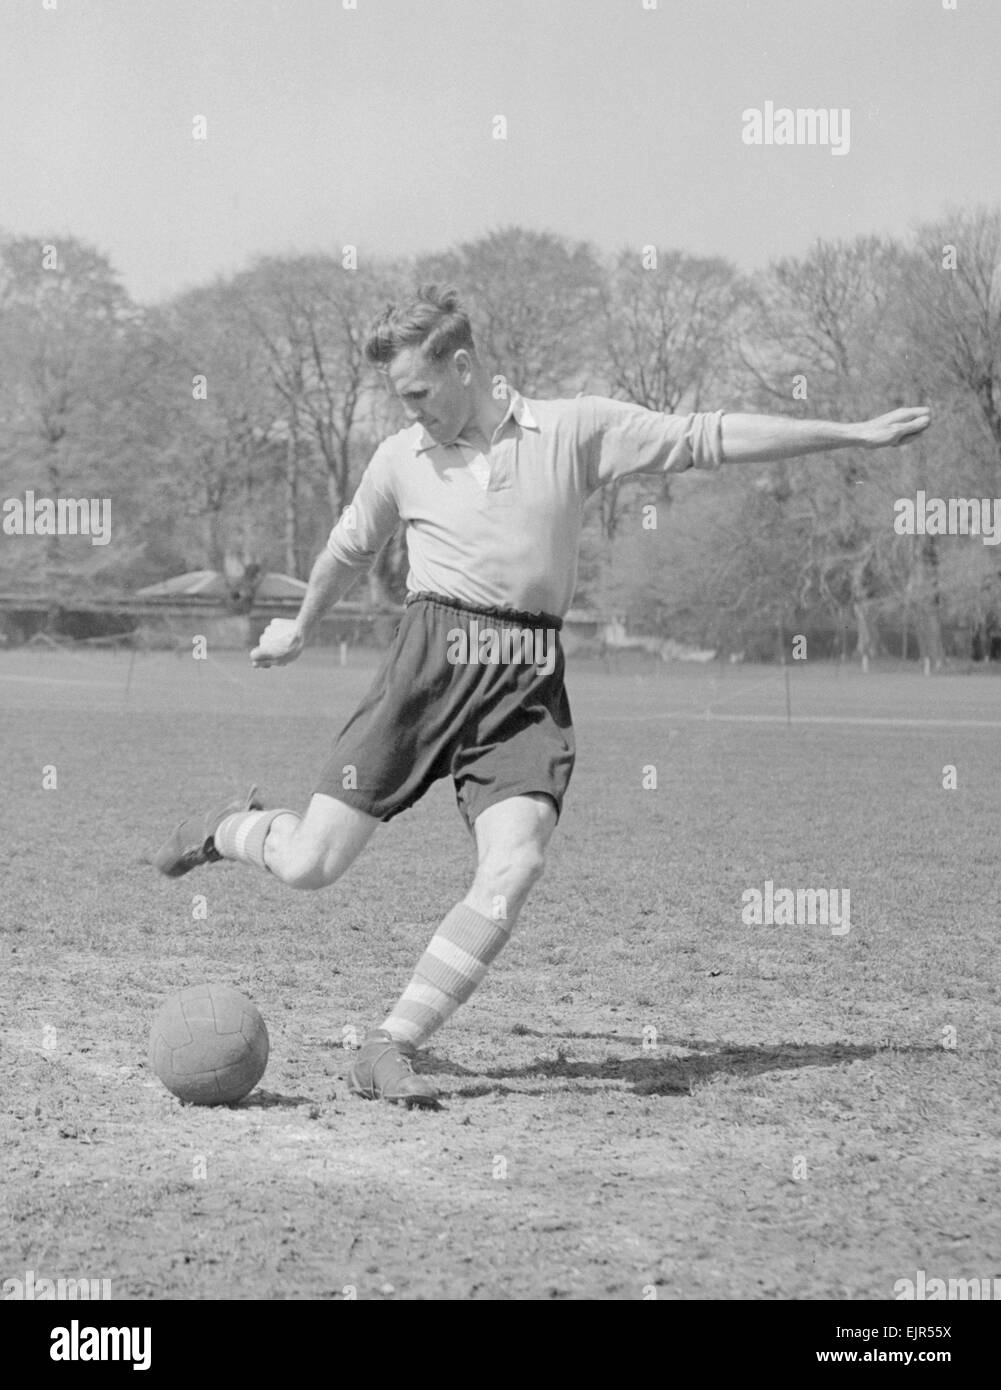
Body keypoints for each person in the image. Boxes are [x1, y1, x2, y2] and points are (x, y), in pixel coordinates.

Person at [155, 285, 931, 1108]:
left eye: (419, 392)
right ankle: (226, 828)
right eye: (400, 399)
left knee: (515, 863)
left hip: (524, 683)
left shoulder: (574, 429)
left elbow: (706, 437)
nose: (411, 411)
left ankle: (390, 1044)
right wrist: (301, 627)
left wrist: (849, 433)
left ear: (464, 366)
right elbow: (348, 549)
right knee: (311, 865)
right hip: (428, 669)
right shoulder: (398, 460)